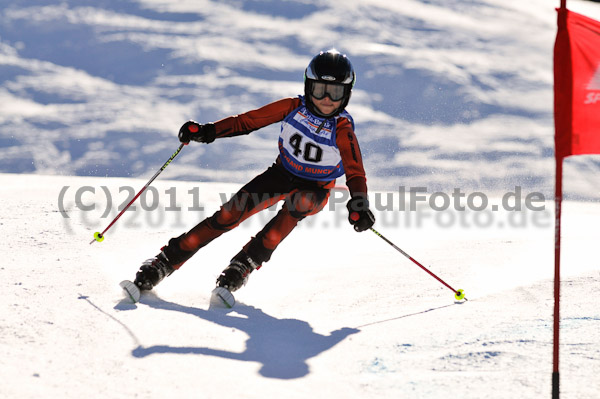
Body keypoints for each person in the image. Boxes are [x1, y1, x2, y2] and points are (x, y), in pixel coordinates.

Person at [132, 49, 375, 298]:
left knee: (297, 205)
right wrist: (208, 131)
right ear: (307, 87)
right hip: (281, 174)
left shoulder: (342, 128)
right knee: (229, 214)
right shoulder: (293, 107)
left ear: (346, 95)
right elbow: (248, 121)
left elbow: (355, 171)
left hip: (315, 189)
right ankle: (165, 261)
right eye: (319, 89)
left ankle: (244, 264)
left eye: (335, 93)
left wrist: (359, 203)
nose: (326, 99)